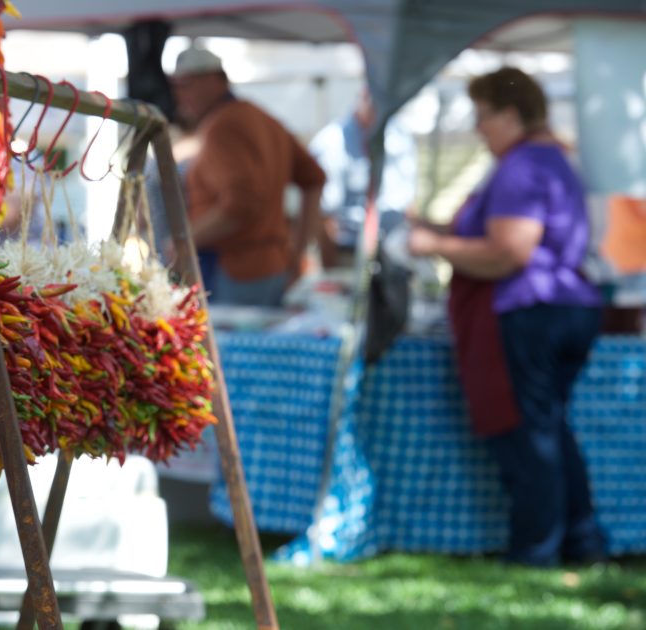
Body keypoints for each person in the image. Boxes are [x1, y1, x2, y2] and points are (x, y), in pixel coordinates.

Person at [407, 67, 606, 566]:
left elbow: (508, 252)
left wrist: (431, 244)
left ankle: (536, 550)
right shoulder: (552, 160)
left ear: (510, 115)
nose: (478, 129)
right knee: (549, 428)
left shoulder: (522, 166)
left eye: (483, 117)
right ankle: (581, 542)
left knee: (529, 434)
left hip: (530, 310)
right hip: (563, 306)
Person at [171, 47, 325, 307]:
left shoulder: (224, 125)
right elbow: (314, 178)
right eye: (178, 87)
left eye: (187, 85)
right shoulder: (261, 117)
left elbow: (240, 207)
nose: (181, 95)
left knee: (222, 346)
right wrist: (297, 255)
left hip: (236, 272)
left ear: (215, 80)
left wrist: (183, 241)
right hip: (270, 266)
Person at [309, 87, 418, 269]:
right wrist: (332, 270)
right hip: (348, 255)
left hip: (395, 252)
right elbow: (325, 217)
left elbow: (409, 203)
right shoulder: (331, 143)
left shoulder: (401, 136)